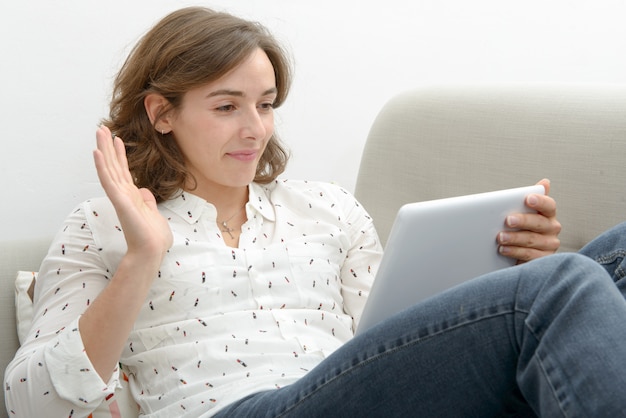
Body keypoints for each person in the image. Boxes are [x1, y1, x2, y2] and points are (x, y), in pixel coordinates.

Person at [4, 6, 625, 417]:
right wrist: (142, 257)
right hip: (236, 409)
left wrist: (508, 271)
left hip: (346, 391)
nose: (255, 129)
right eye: (226, 107)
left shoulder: (328, 208)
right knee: (562, 285)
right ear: (161, 113)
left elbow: (395, 342)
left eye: (266, 104)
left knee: (613, 254)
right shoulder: (102, 226)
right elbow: (30, 402)